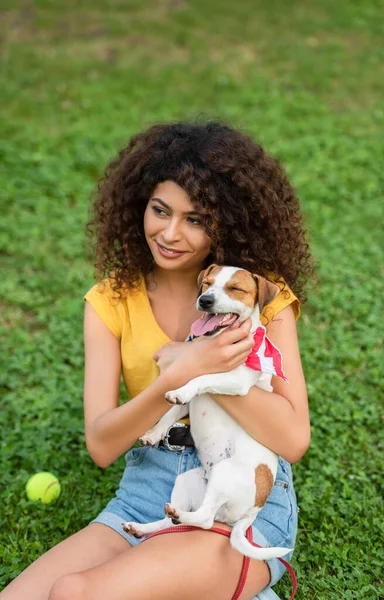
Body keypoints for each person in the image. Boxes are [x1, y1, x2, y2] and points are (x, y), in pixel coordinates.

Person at [1, 120, 313, 600]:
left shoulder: (254, 294)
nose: (170, 233)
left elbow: (292, 439)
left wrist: (207, 365)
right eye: (160, 210)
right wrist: (184, 370)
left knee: (76, 593)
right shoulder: (111, 301)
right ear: (139, 206)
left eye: (195, 219)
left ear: (225, 222)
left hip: (241, 497)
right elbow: (103, 445)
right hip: (146, 489)